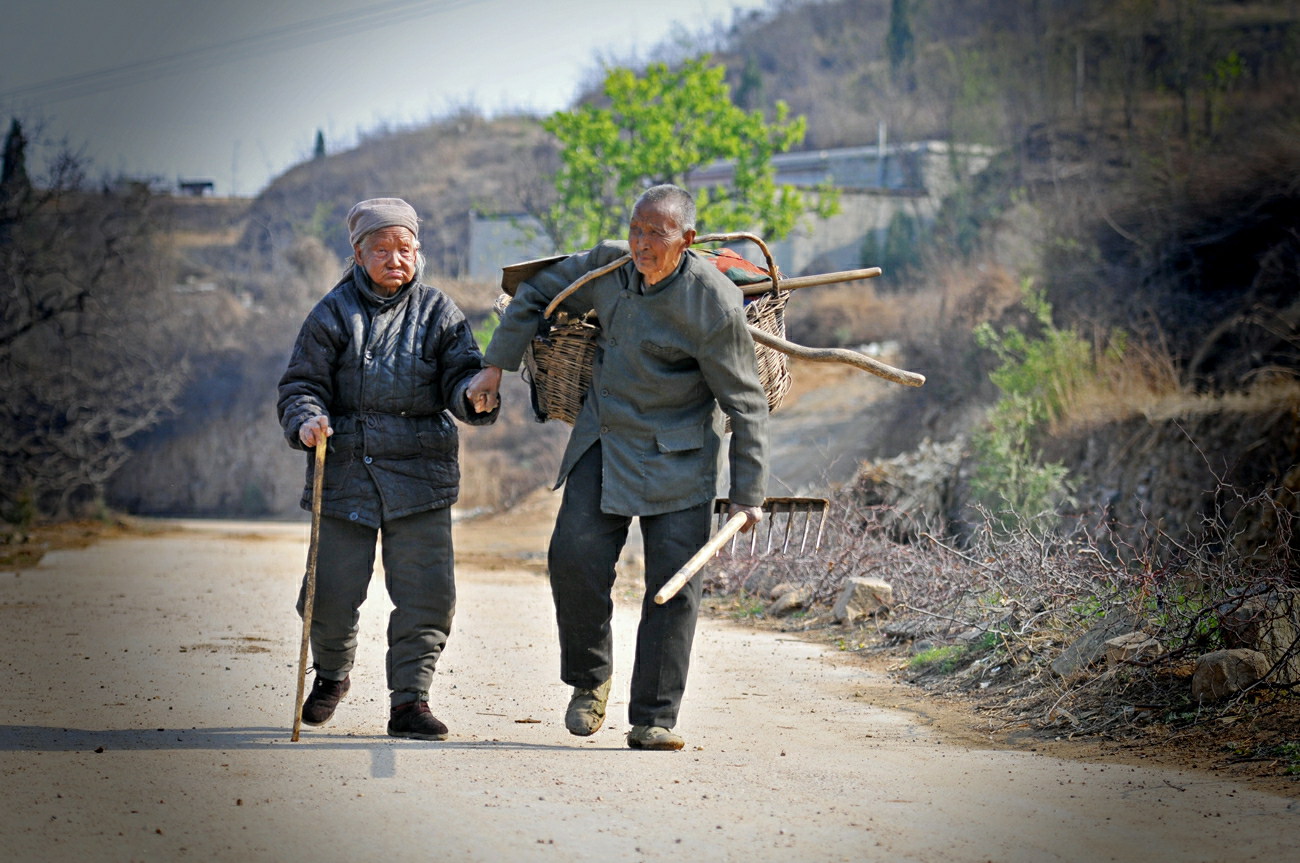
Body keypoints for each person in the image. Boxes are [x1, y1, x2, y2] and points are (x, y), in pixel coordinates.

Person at [466, 184, 768, 751]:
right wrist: (495, 367)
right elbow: (535, 294)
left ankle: (654, 718)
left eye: (658, 234)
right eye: (636, 229)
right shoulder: (606, 267)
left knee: (672, 589)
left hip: (680, 455)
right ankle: (589, 679)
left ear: (688, 240)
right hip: (603, 440)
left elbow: (745, 403)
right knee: (572, 557)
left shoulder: (714, 303)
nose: (643, 245)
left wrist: (748, 491)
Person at [278, 197, 498, 740]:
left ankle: (410, 703)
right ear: (358, 254)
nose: (396, 259)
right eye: (382, 249)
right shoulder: (331, 314)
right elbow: (300, 387)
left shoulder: (439, 313)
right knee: (328, 593)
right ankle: (331, 675)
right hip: (346, 471)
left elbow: (464, 377)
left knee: (427, 595)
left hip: (420, 475)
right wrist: (308, 419)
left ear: (418, 251)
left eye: (405, 249)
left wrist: (475, 396)